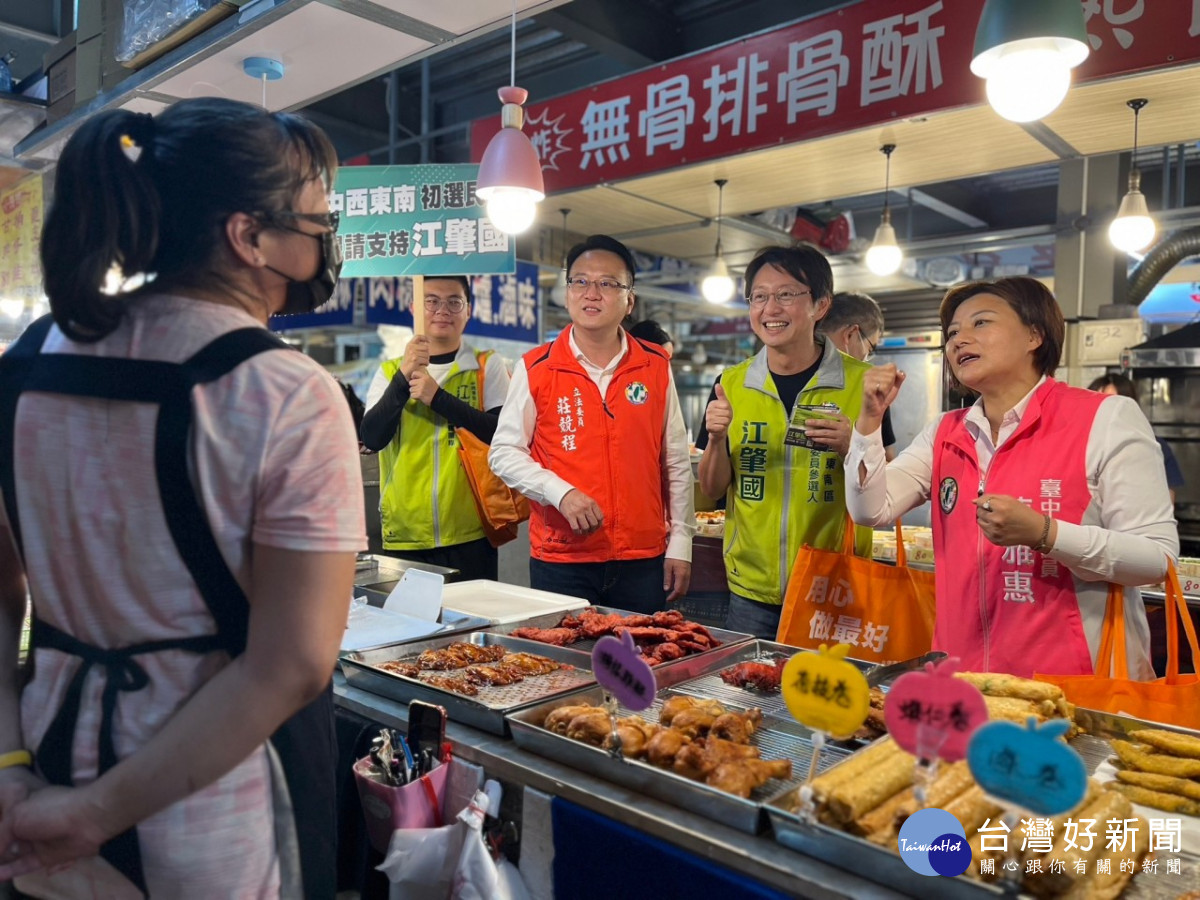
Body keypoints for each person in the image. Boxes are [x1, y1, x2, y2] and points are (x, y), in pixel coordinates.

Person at [0, 99, 365, 897]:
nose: (323, 237)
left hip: (42, 772)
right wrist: (97, 812)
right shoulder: (284, 391)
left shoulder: (26, 364)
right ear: (248, 236)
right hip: (204, 806)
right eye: (315, 219)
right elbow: (293, 662)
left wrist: (10, 768)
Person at [846, 276, 1178, 679]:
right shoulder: (945, 431)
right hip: (962, 679)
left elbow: (1157, 558)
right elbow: (869, 509)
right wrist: (869, 422)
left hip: (1074, 685)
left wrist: (1046, 533)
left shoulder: (1106, 418)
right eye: (952, 332)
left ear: (1034, 335)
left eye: (980, 323)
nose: (958, 340)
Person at [489, 234, 693, 611]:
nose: (591, 293)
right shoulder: (536, 367)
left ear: (629, 299)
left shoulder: (655, 366)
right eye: (580, 281)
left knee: (642, 666)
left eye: (607, 283)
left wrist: (681, 541)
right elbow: (503, 452)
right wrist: (559, 491)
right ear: (567, 294)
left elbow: (675, 460)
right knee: (566, 668)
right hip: (562, 559)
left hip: (643, 558)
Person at [696, 244, 872, 639]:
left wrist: (853, 445)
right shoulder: (731, 384)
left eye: (786, 294)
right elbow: (711, 488)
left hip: (832, 586)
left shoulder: (861, 383)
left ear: (820, 305)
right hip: (750, 590)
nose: (770, 308)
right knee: (751, 696)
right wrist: (716, 438)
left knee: (825, 699)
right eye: (759, 296)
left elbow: (886, 493)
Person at [360, 277, 511, 580]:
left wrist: (437, 398)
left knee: (471, 620)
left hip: (472, 530)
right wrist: (403, 377)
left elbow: (500, 433)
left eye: (454, 302)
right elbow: (372, 437)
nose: (443, 310)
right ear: (414, 307)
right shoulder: (390, 371)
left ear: (468, 310)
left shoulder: (486, 365)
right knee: (412, 627)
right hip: (405, 532)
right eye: (431, 301)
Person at [818, 291, 897, 460]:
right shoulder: (871, 389)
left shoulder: (782, 372)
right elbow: (887, 466)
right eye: (870, 348)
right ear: (851, 335)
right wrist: (855, 448)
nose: (867, 358)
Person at [1088, 372, 1184, 504]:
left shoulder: (1153, 446)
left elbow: (1166, 505)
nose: (1105, 411)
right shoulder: (1076, 446)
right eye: (1099, 402)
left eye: (1113, 403)